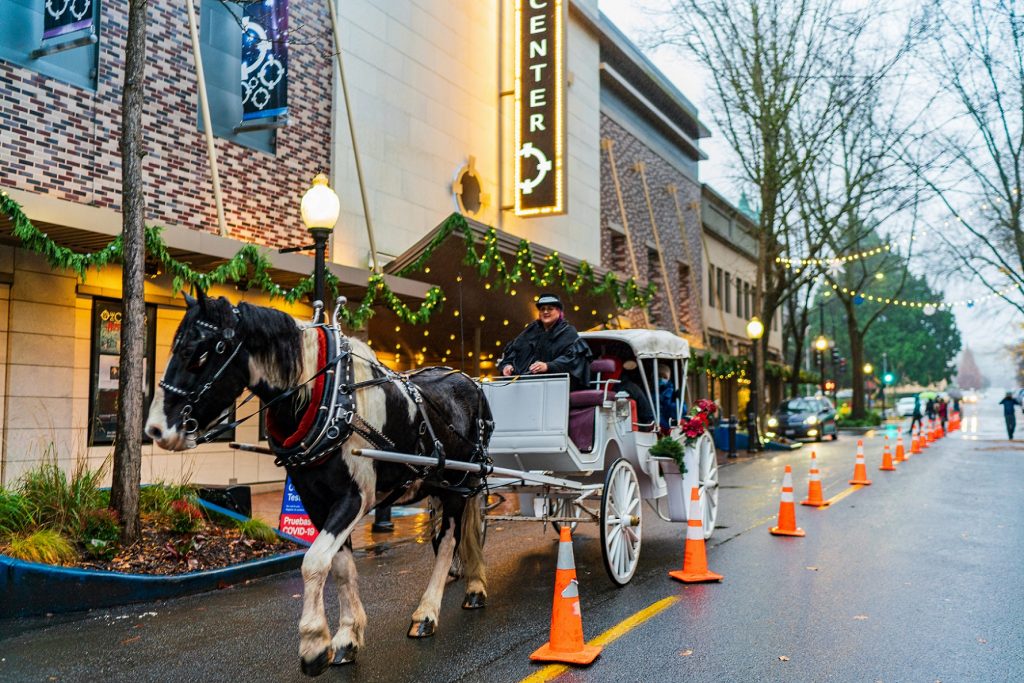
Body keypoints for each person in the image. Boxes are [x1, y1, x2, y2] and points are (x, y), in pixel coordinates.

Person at [499, 293, 592, 390]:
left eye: (550, 308)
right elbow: (514, 350)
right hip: (527, 386)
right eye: (542, 309)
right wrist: (507, 365)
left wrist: (548, 366)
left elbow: (574, 361)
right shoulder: (531, 330)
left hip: (557, 387)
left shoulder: (568, 332)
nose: (545, 312)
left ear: (559, 311)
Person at [657, 363, 677, 432]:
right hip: (655, 424)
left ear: (668, 378)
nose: (661, 379)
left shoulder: (672, 392)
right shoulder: (651, 391)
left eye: (664, 377)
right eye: (659, 376)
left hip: (667, 425)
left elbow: (681, 411)